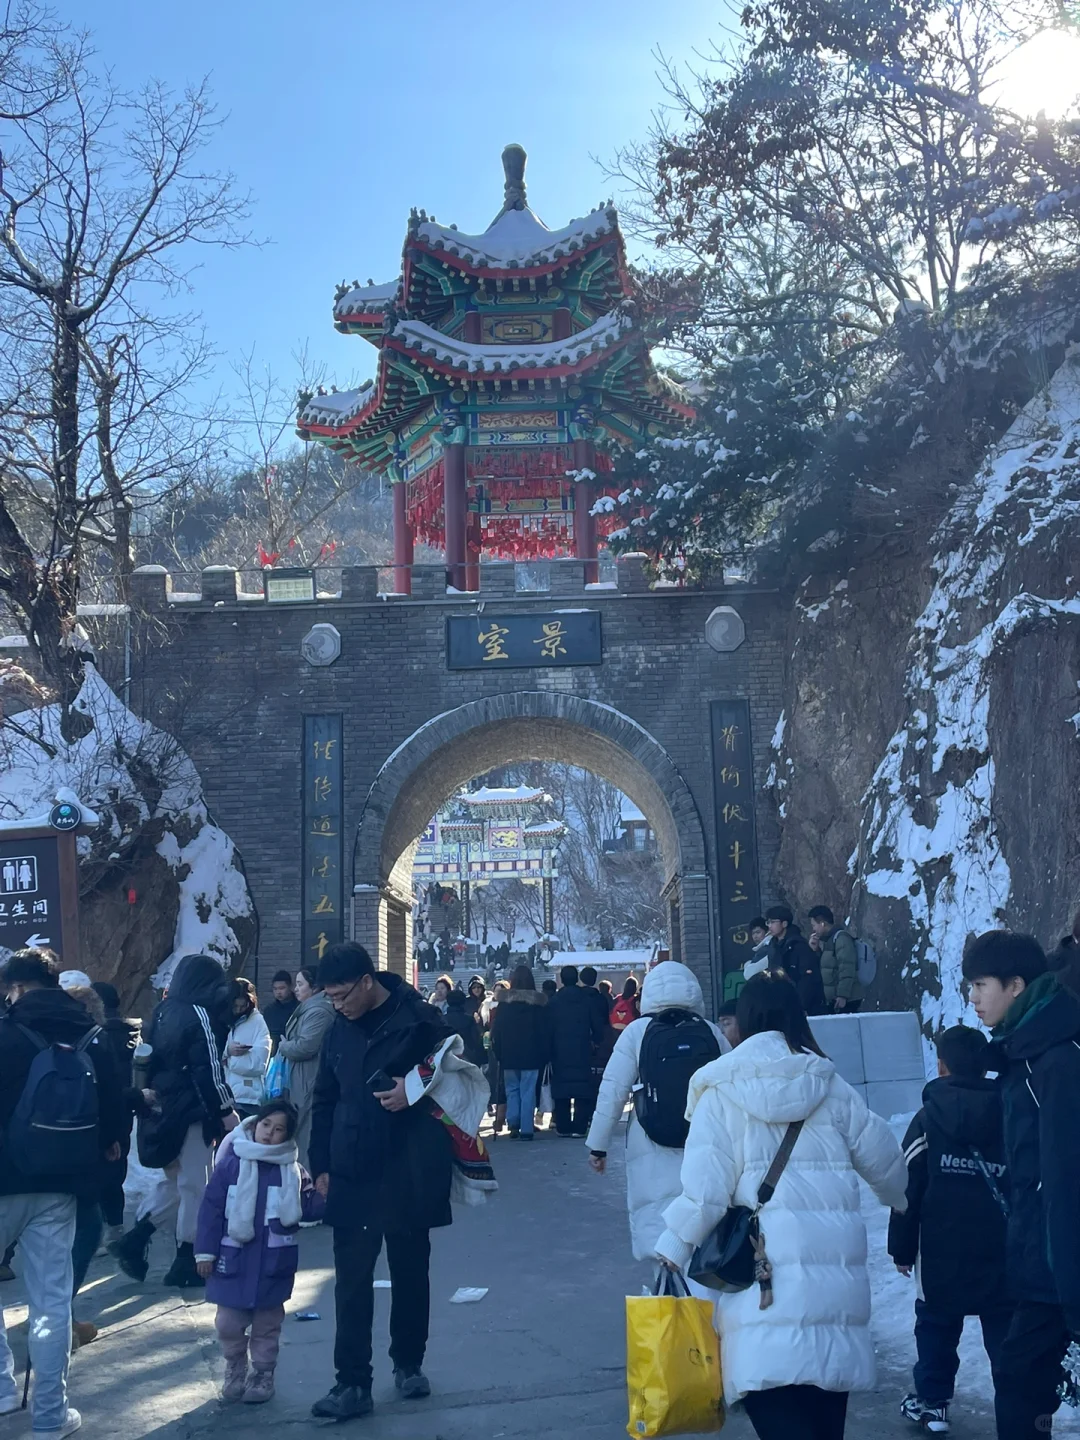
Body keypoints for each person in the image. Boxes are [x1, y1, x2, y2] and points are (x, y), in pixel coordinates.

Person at [654, 970, 907, 1440]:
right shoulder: (830, 1086)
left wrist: (675, 1242)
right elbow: (889, 1166)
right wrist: (903, 1203)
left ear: (744, 1022)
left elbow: (705, 1191)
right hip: (834, 1292)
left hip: (760, 1290)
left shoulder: (720, 1092)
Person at [307, 942, 451, 1421]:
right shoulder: (337, 1030)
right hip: (351, 1165)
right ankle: (352, 1383)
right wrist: (320, 1162)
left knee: (410, 1271)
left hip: (408, 1162)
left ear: (367, 982)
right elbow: (324, 1096)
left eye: (343, 995)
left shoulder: (420, 1019)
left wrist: (410, 1091)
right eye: (329, 997)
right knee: (350, 1281)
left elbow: (458, 1074)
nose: (338, 1005)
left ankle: (408, 1363)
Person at [0, 949, 125, 1438]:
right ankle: (51, 1417)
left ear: (15, 988)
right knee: (51, 1301)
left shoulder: (5, 1032)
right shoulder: (88, 1033)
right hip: (62, 1184)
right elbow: (114, 1109)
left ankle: (5, 1394)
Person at [967, 930, 1080, 1440]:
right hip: (1042, 1265)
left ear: (1017, 985)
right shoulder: (1026, 1056)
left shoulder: (1056, 1061)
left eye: (980, 984)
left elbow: (1065, 1180)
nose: (973, 997)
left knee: (1018, 1382)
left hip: (1059, 1273)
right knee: (1019, 1384)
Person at [887, 1024, 1011, 1434]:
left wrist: (902, 1249)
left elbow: (908, 1186)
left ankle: (933, 1402)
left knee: (937, 1322)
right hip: (1001, 1244)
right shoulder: (1009, 1110)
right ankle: (1015, 1402)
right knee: (1002, 1326)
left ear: (941, 1066)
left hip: (940, 1245)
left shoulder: (927, 1119)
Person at [110, 953, 239, 1288]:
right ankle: (188, 1260)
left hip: (164, 1111)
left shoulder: (163, 1011)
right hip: (193, 1113)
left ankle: (136, 1237)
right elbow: (210, 1070)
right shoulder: (199, 1015)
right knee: (197, 1185)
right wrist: (226, 1111)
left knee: (177, 1182)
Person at [586, 962, 727, 1262]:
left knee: (657, 1213)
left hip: (650, 1135)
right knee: (702, 1214)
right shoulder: (711, 1031)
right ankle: (703, 1296)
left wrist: (598, 1145)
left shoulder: (638, 1032)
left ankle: (666, 1293)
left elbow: (612, 1089)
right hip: (704, 1136)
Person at [194, 1100, 324, 1404]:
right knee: (228, 1323)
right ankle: (235, 1366)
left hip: (272, 1265)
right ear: (255, 1124)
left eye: (278, 1130)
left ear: (287, 1137)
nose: (269, 1134)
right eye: (266, 1125)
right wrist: (204, 1253)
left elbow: (307, 1208)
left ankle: (263, 1374)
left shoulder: (292, 1170)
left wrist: (323, 1195)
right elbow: (211, 1210)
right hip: (232, 1261)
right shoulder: (232, 1164)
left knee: (267, 1326)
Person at [90, 982, 140, 1249]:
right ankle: (115, 1228)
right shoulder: (130, 1033)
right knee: (115, 1174)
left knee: (98, 1175)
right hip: (125, 1111)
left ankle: (100, 1232)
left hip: (102, 1113)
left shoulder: (96, 1037)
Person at [275, 967, 334, 1171]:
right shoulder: (310, 1008)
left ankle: (306, 1184)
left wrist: (283, 1046)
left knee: (305, 1134)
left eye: (300, 984)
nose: (296, 989)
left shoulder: (319, 1011)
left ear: (315, 987)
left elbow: (304, 1046)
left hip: (308, 1081)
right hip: (301, 1079)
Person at [490, 965, 550, 1141]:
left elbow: (497, 1031)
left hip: (509, 1054)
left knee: (512, 1089)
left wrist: (498, 1051)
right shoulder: (538, 1005)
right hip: (532, 1055)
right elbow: (543, 1032)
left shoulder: (504, 1005)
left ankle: (513, 1123)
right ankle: (526, 1127)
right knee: (528, 1090)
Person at [547, 965, 606, 1138]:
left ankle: (563, 1125)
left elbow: (548, 1027)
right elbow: (597, 1025)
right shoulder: (586, 999)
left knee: (561, 1087)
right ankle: (580, 1126)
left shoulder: (555, 1001)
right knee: (582, 1087)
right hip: (582, 1048)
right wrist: (596, 1041)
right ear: (577, 978)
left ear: (562, 980)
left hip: (559, 1049)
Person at [766, 904, 826, 1016]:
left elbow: (807, 978)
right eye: (768, 922)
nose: (769, 926)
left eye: (773, 922)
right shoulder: (773, 946)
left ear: (784, 923)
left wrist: (801, 1005)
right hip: (780, 1003)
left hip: (800, 1005)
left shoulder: (798, 945)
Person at [225, 978, 272, 1119]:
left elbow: (259, 1064)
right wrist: (227, 1051)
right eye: (235, 1006)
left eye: (243, 1006)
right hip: (224, 1096)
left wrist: (229, 1060)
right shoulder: (224, 1019)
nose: (239, 1010)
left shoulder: (258, 1022)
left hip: (248, 1098)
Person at [808, 907, 864, 1014]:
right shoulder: (828, 941)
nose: (813, 929)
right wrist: (816, 951)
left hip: (847, 999)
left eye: (814, 925)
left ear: (823, 924)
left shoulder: (841, 939)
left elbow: (847, 968)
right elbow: (828, 966)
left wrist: (842, 995)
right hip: (834, 998)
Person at [444, 989, 487, 1069]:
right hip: (466, 1057)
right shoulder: (469, 1019)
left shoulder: (442, 1020)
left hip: (446, 1058)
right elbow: (476, 1040)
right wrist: (483, 1059)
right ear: (463, 1002)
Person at [262, 971, 297, 1052]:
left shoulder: (299, 1008)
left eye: (282, 988)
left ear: (290, 987)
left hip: (291, 1050)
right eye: (275, 989)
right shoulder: (269, 1010)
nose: (278, 992)